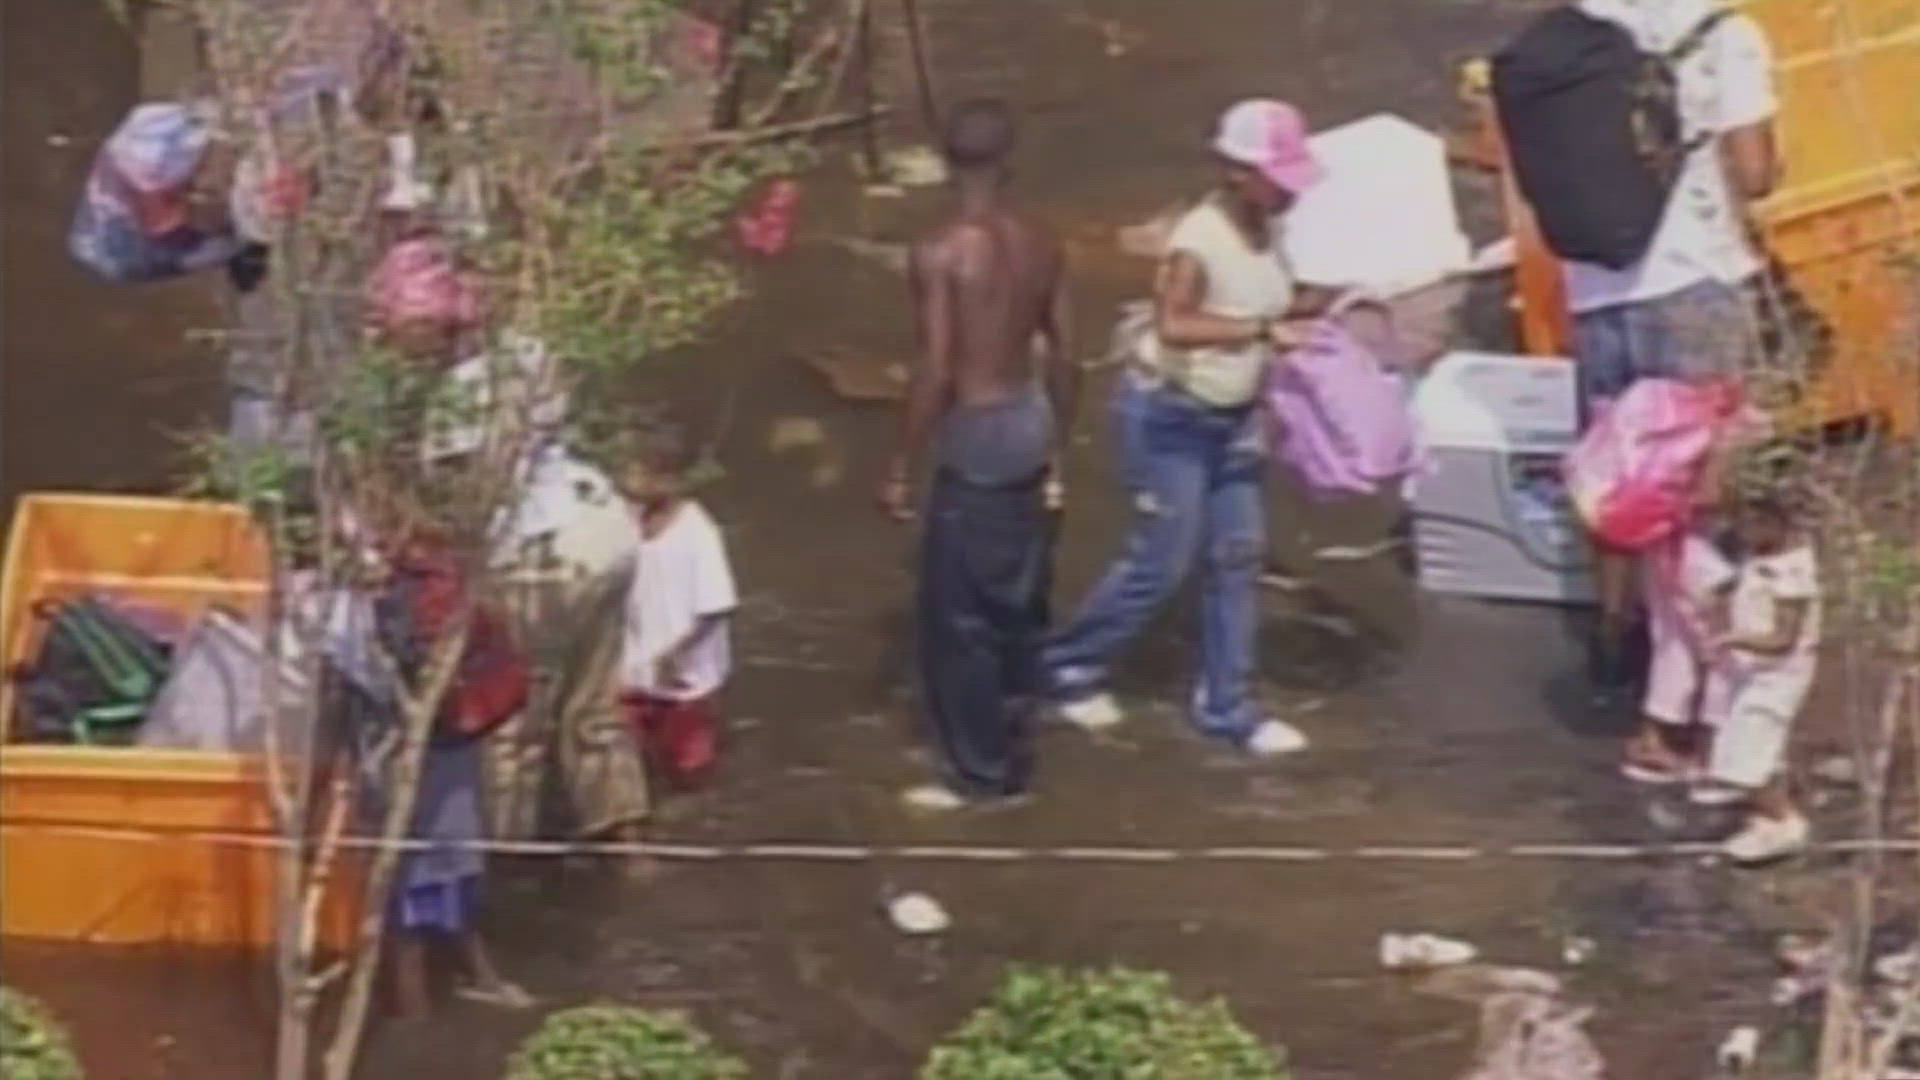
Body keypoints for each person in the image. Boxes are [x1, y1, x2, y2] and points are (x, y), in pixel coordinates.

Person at [1041, 99, 1337, 757]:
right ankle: (1068, 664)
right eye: (1278, 176)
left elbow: (1265, 299)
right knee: (1162, 559)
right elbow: (1174, 324)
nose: (1289, 190)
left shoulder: (1270, 231)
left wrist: (1317, 306)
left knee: (1237, 557)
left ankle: (1227, 707)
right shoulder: (1198, 241)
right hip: (1170, 416)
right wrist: (1264, 331)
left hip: (1233, 419)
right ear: (1237, 172)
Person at [1567, 0, 1781, 699]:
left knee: (1613, 472)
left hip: (1595, 287)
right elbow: (1752, 174)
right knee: (1703, 480)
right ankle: (1693, 664)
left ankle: (1611, 641)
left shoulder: (1581, 24)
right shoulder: (1726, 33)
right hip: (1694, 281)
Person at [877, 98, 1075, 807]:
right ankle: (1019, 737)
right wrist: (1062, 452)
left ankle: (981, 775)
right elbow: (1065, 355)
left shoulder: (939, 251)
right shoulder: (1042, 240)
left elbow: (937, 366)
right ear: (1007, 160)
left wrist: (902, 462)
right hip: (1030, 419)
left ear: (943, 164)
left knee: (957, 616)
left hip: (979, 429)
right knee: (1019, 597)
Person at [1694, 492, 1819, 863]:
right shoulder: (1760, 557)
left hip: (1778, 676)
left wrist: (1734, 638)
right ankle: (1764, 816)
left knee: (1744, 753)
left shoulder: (1793, 574)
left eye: (1751, 527)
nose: (1743, 536)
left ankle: (1786, 822)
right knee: (1754, 743)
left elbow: (1784, 639)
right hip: (1751, 670)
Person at [616, 424, 738, 790]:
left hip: (685, 677)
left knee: (688, 769)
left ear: (667, 479)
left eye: (637, 473)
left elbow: (714, 608)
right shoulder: (629, 521)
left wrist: (676, 653)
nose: (628, 481)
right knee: (631, 763)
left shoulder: (698, 533)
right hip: (636, 669)